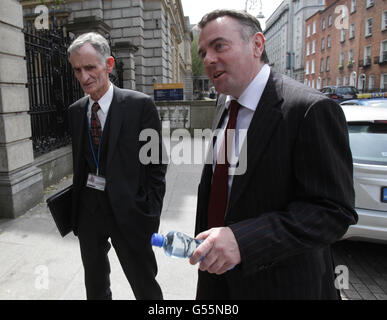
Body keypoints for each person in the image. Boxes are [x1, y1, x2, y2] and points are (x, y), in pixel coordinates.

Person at [189, 10, 358, 300]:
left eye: (219, 46)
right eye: (203, 51)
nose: (207, 59)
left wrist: (243, 241)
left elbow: (333, 212)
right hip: (218, 280)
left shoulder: (309, 110)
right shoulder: (224, 104)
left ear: (257, 45)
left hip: (281, 286)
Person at [67, 32, 166, 300]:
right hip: (89, 214)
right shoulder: (76, 111)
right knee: (95, 287)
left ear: (109, 64)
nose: (83, 77)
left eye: (90, 67)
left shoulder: (140, 106)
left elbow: (156, 165)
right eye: (77, 70)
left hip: (129, 214)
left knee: (144, 285)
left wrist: (150, 215)